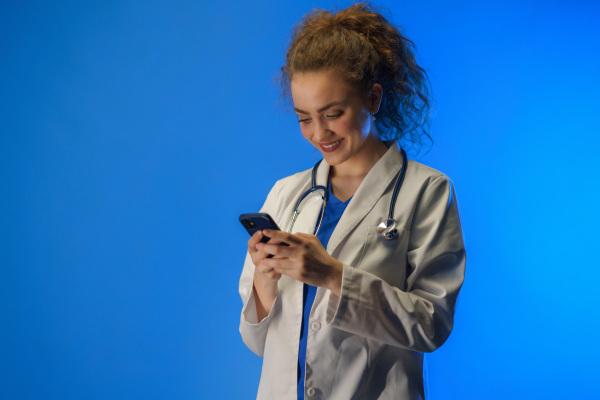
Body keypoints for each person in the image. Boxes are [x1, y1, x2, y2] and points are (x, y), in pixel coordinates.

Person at [238, 2, 466, 399]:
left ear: (373, 99)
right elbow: (259, 343)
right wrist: (264, 278)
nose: (318, 133)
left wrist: (333, 275)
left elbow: (431, 326)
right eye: (304, 118)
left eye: (333, 113)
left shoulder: (426, 191)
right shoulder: (286, 193)